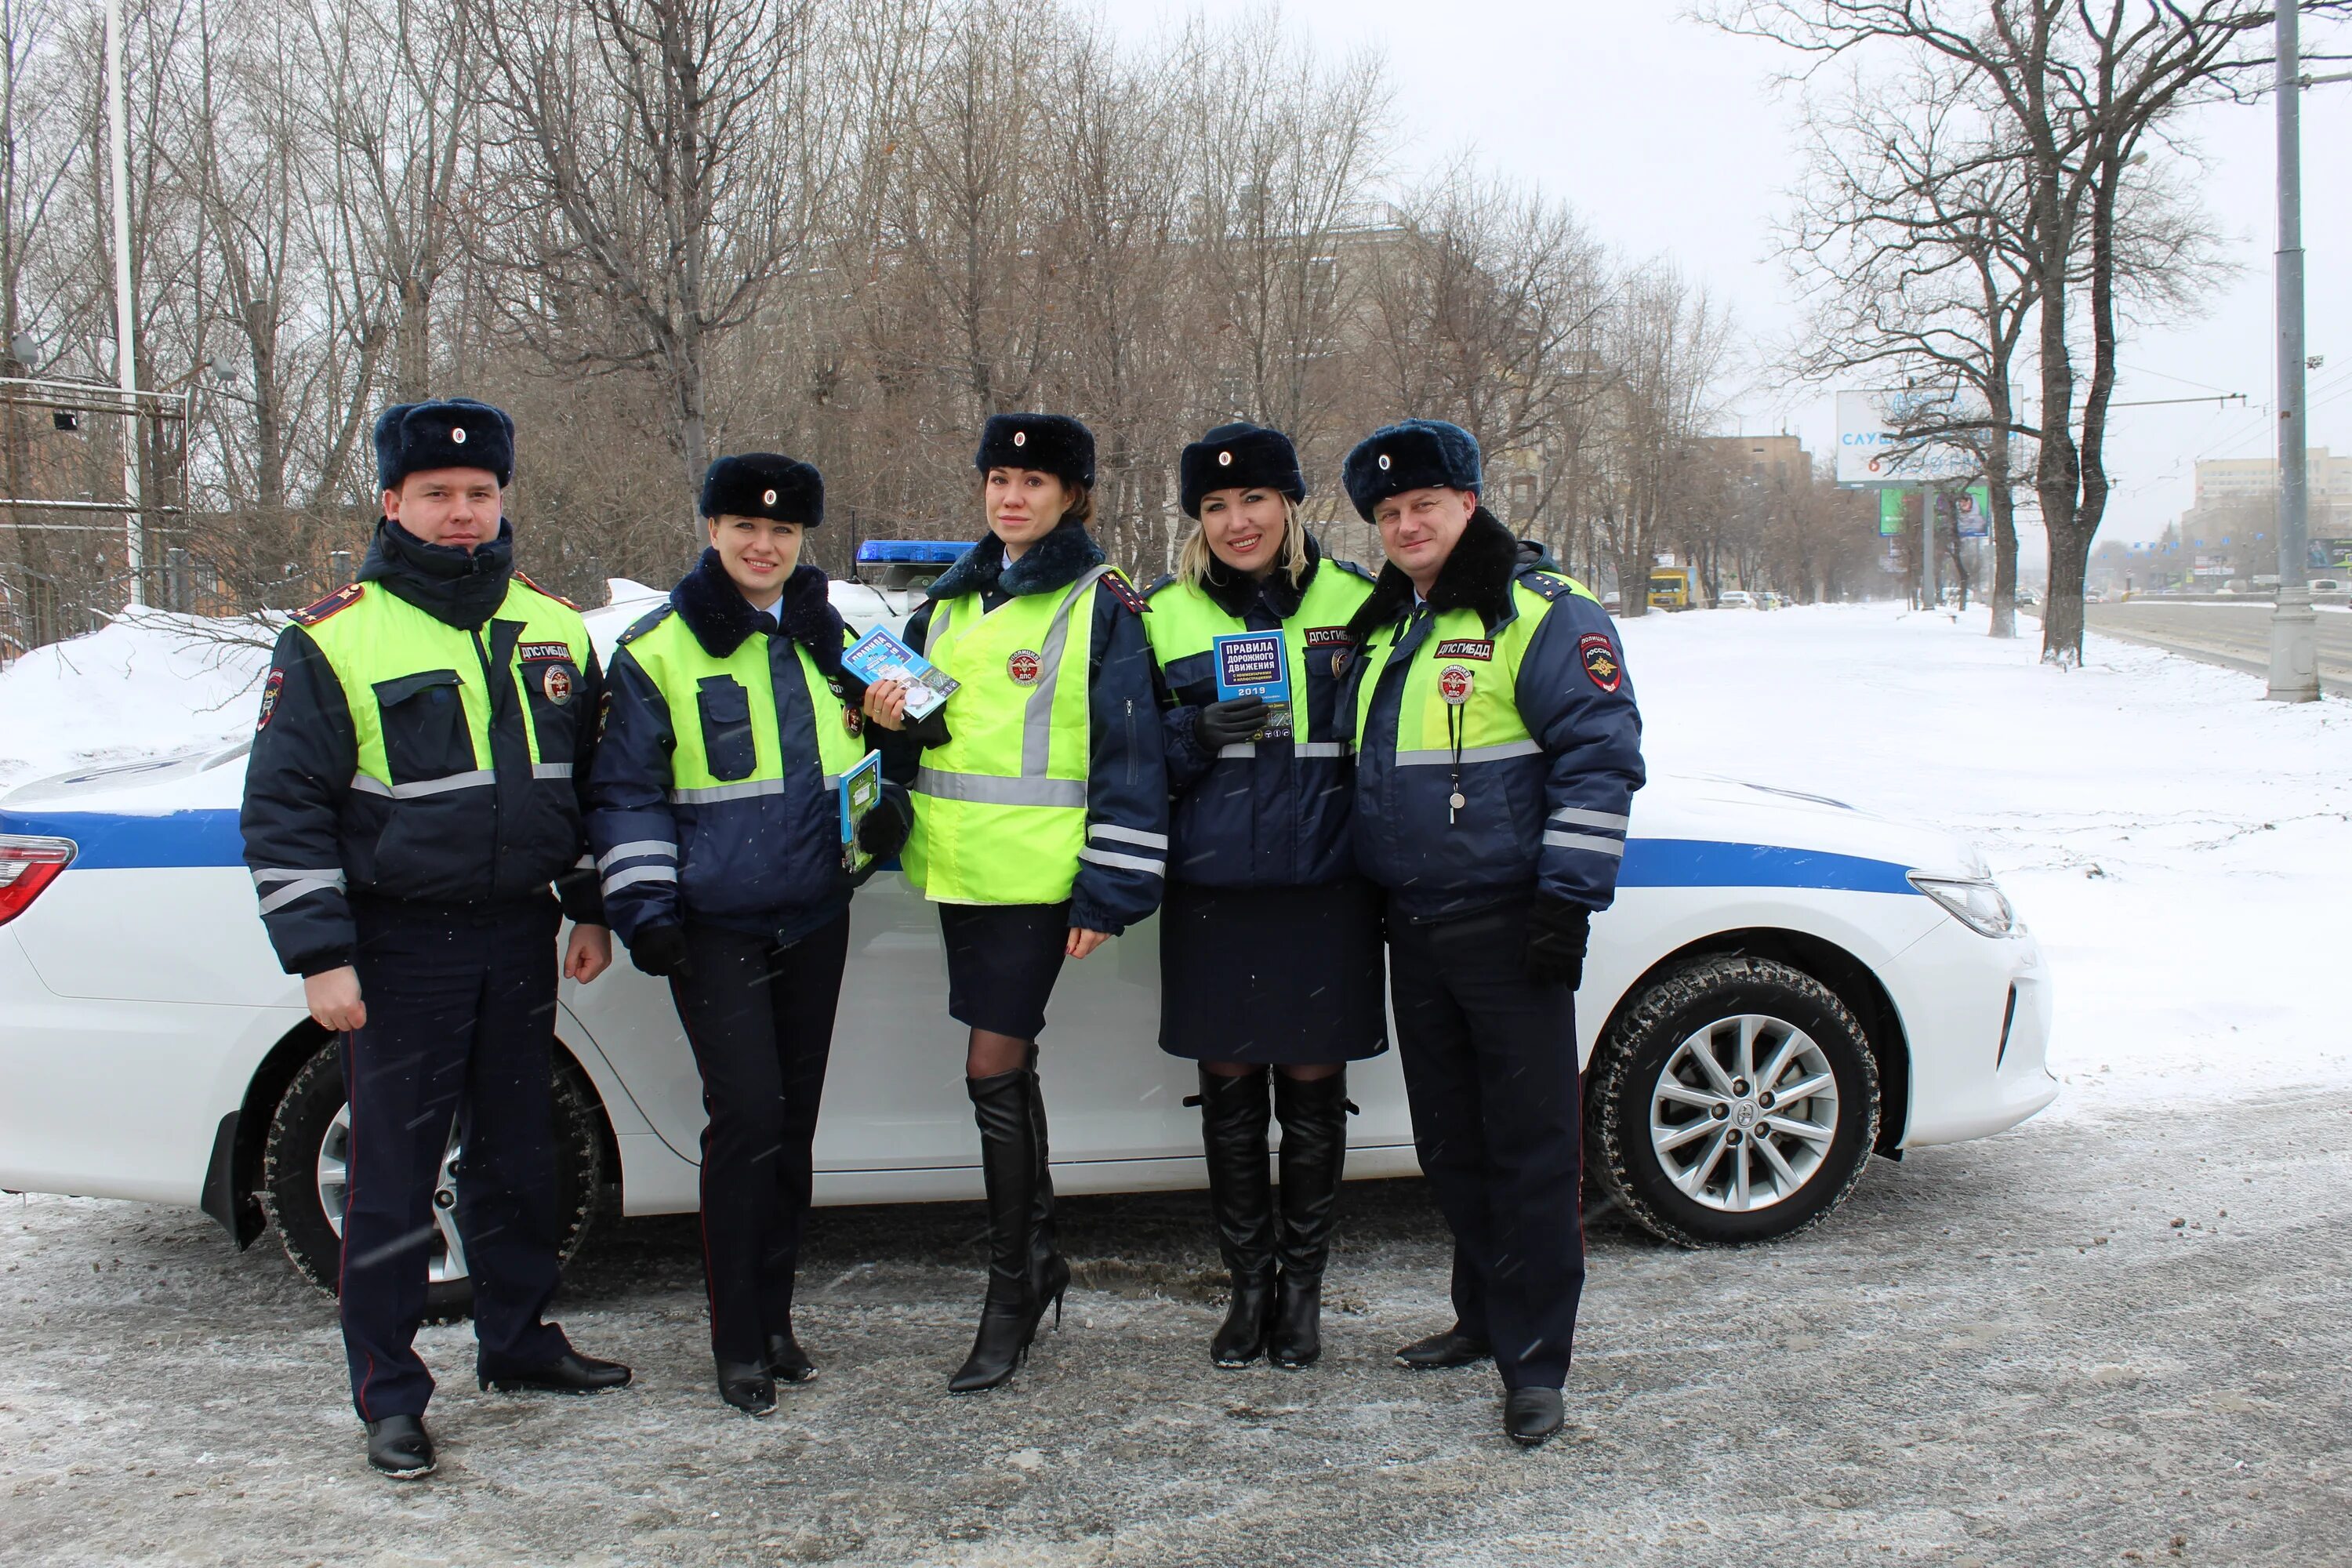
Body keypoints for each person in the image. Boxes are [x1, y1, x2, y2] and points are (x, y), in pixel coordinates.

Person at [240, 397, 632, 1483]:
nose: (462, 515)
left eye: (479, 494)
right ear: (392, 503)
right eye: (438, 496)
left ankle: (518, 1343)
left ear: (503, 499)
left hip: (518, 933)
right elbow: (284, 811)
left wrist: (589, 904)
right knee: (395, 1177)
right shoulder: (330, 637)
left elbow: (590, 789)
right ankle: (391, 1393)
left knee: (518, 1159)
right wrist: (321, 955)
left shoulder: (555, 630)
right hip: (398, 944)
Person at [1334, 419, 1644, 1448]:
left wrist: (1565, 906)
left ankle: (1537, 1364)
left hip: (1512, 930)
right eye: (1387, 512)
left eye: (1423, 504)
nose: (1406, 524)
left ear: (1469, 503)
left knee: (1532, 1154)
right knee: (1453, 1146)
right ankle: (1482, 1317)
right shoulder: (1388, 625)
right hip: (1415, 930)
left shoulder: (1542, 614)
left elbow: (1598, 764)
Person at [586, 453, 910, 1417]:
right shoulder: (658, 649)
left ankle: (776, 1320)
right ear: (712, 531)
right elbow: (626, 793)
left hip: (816, 911)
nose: (763, 546)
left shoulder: (833, 630)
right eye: (743, 528)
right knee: (749, 1123)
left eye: (781, 532)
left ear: (800, 539)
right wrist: (647, 911)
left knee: (794, 1126)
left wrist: (894, 740)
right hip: (713, 926)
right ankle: (735, 1339)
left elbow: (916, 725)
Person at [865, 412, 1167, 1393]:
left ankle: (1012, 1288)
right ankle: (1036, 1262)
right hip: (956, 867)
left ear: (1072, 495)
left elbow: (1133, 754)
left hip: (1040, 876)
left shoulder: (1102, 602)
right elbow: (922, 737)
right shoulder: (949, 601)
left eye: (1034, 483)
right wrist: (887, 721)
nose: (1011, 497)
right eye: (999, 478)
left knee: (991, 1060)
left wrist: (1112, 885)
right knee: (1005, 1067)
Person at [1142, 422, 1382, 1370]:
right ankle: (1248, 1288)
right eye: (1215, 505)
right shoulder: (1161, 614)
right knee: (1232, 1095)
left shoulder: (1361, 601)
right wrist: (1191, 732)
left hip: (1328, 886)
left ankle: (1304, 1290)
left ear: (1291, 503)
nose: (1237, 521)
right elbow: (1122, 759)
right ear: (1197, 518)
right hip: (1217, 891)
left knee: (1317, 1094)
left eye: (1254, 500)